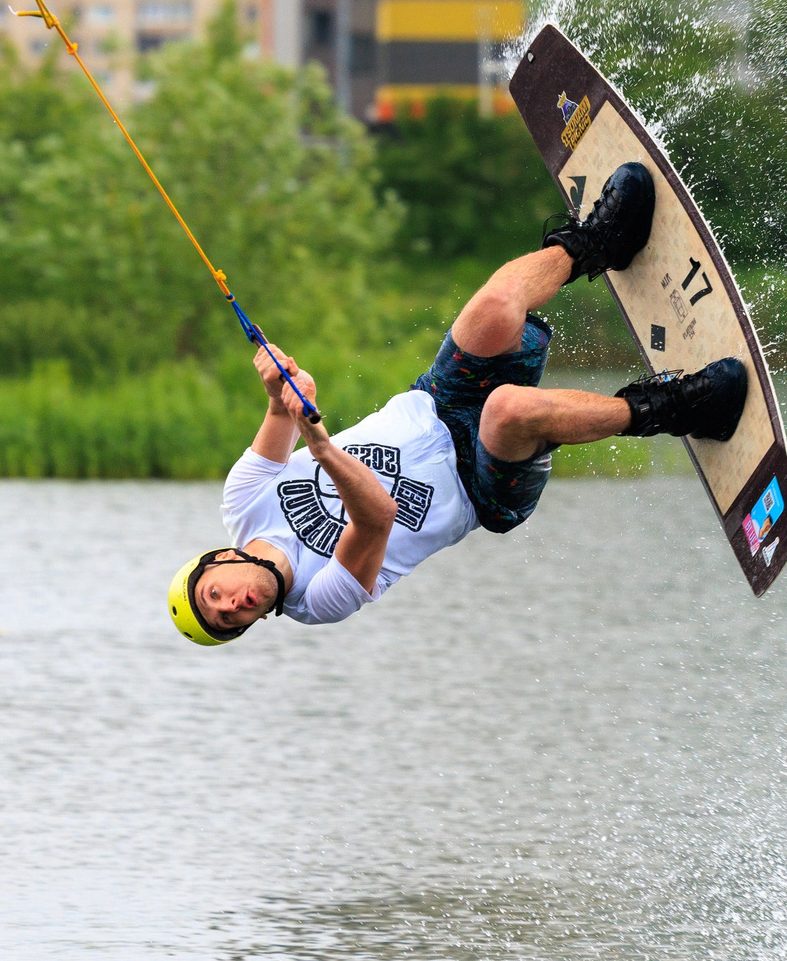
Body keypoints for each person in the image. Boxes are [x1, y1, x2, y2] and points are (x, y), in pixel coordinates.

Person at [168, 162, 749, 643]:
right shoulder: (319, 601)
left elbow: (286, 407)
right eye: (230, 618)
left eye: (217, 594)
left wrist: (280, 383)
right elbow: (376, 516)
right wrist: (320, 447)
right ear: (249, 622)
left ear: (218, 559)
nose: (234, 602)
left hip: (433, 404)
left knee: (494, 305)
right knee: (508, 410)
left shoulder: (244, 501)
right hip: (481, 488)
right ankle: (675, 409)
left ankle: (598, 244)